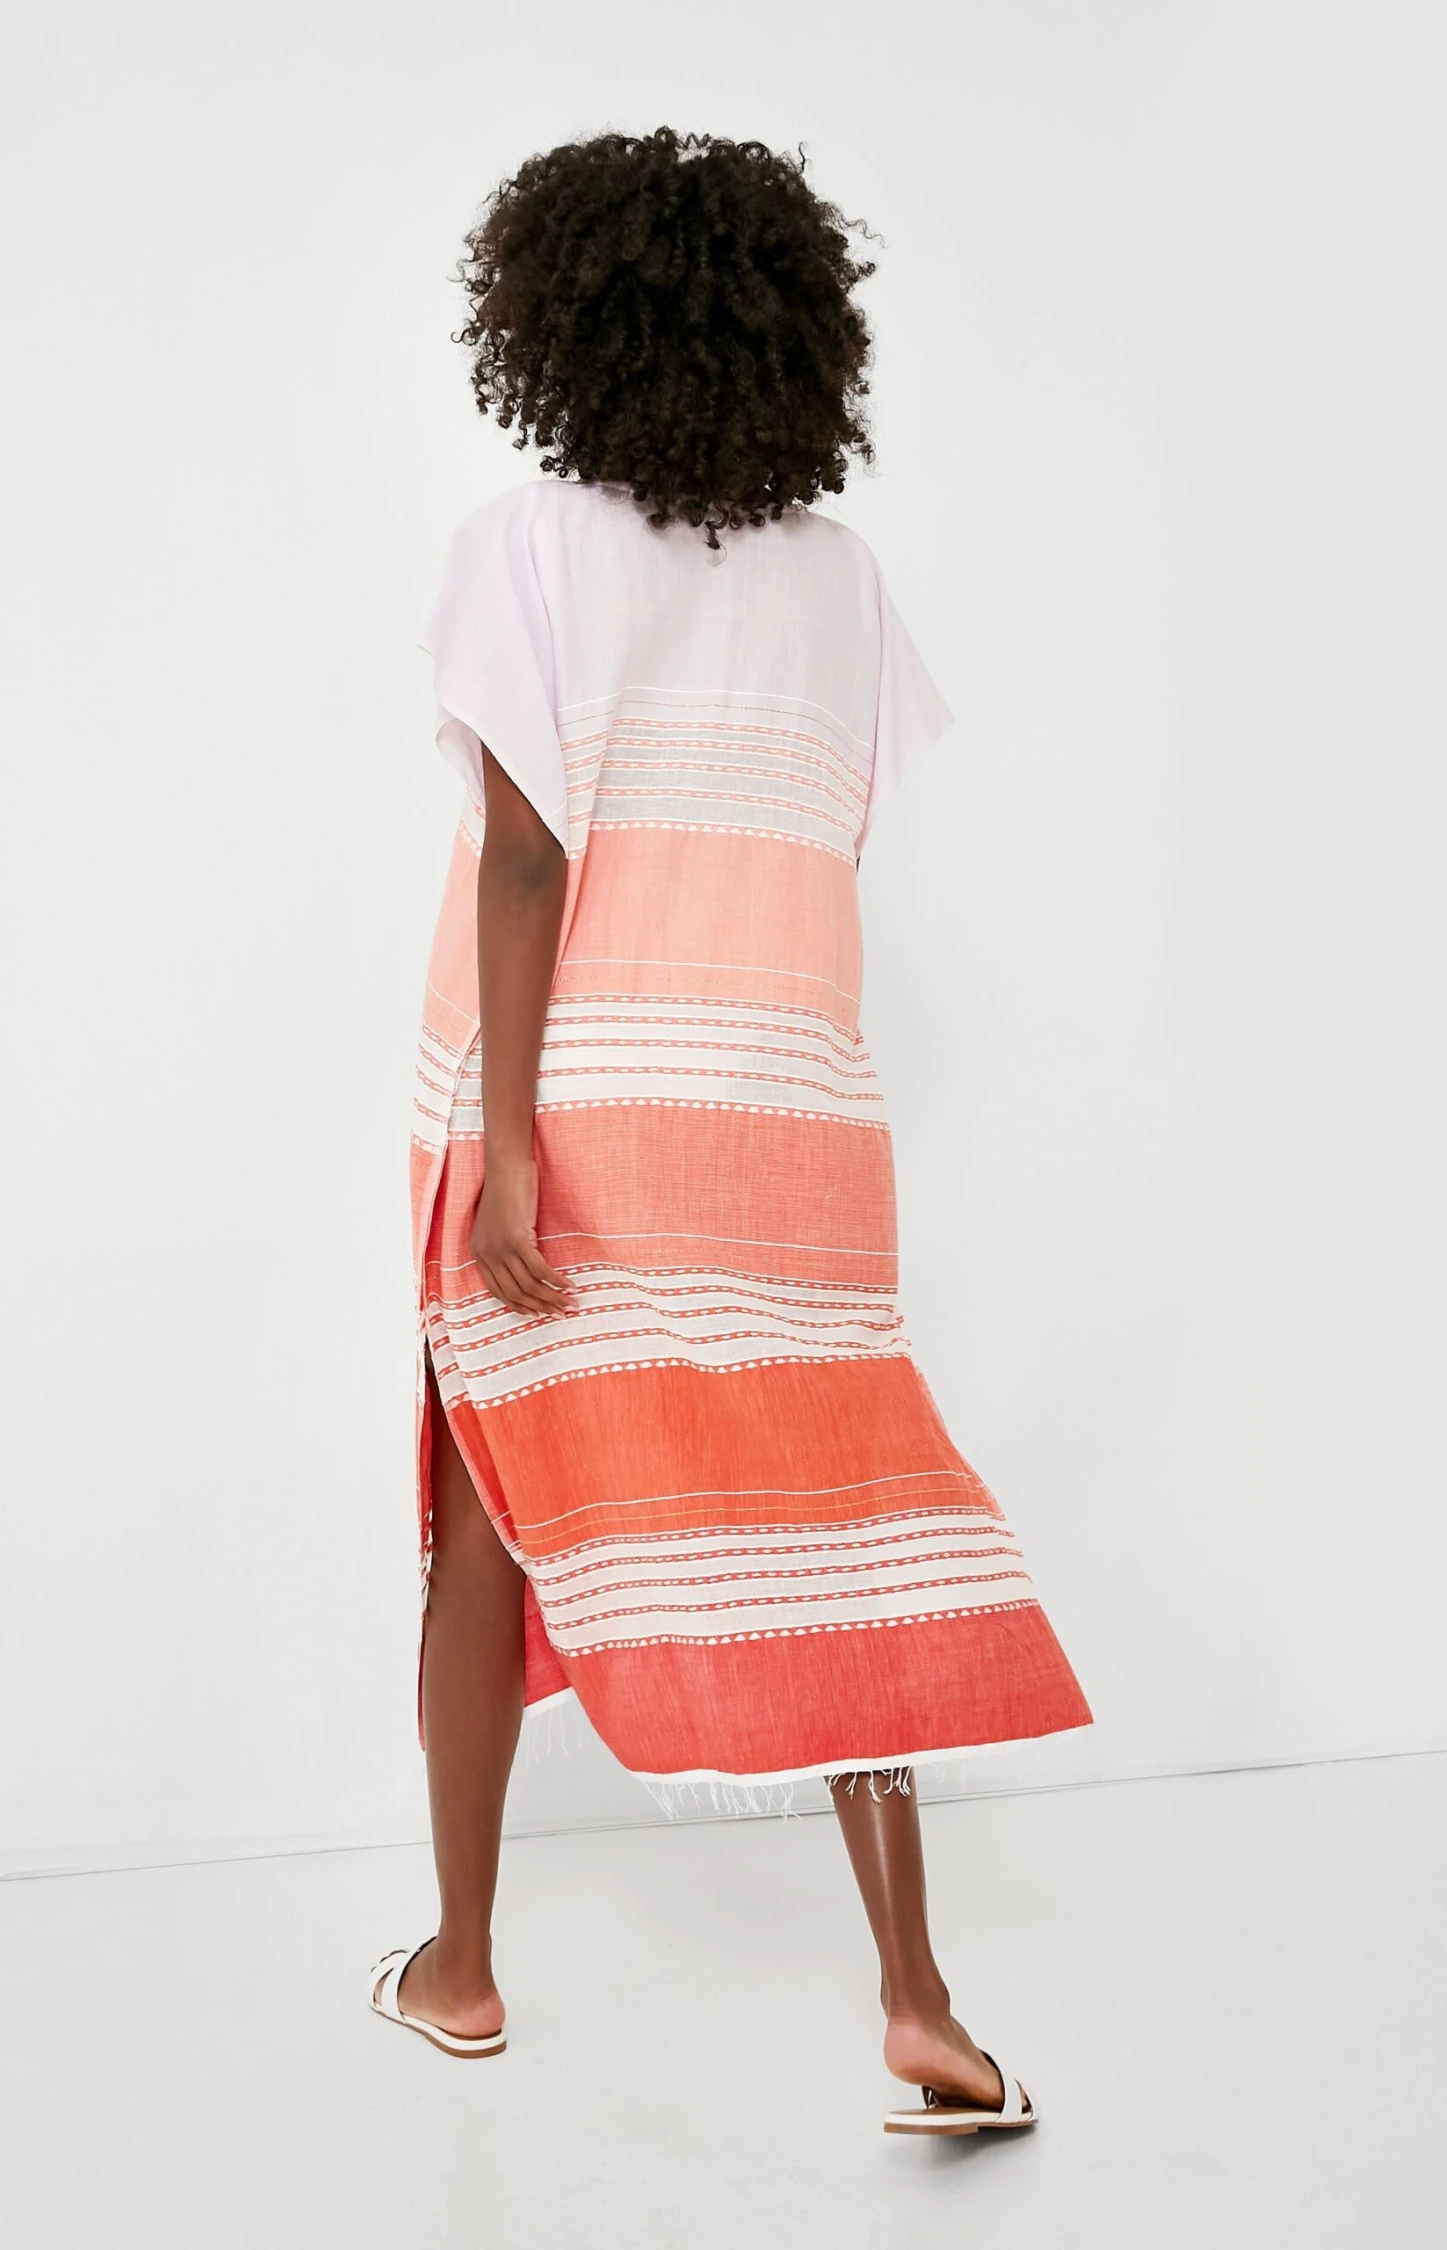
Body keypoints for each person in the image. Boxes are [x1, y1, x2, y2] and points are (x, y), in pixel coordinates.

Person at [369, 128, 1091, 2136]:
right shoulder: (837, 579)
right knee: (840, 1530)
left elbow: (530, 858)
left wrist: (515, 1148)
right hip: (790, 1128)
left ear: (559, 325)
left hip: (575, 1108)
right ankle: (921, 1999)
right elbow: (828, 829)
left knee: (484, 1518)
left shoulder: (529, 544)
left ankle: (460, 1969)